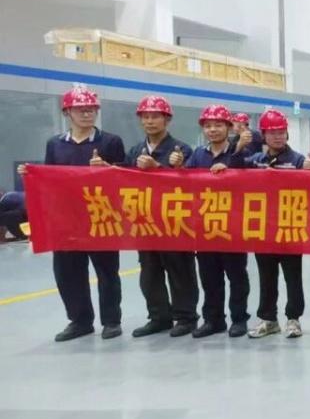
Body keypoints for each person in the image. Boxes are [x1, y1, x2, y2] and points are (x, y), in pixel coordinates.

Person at [19, 86, 126, 341]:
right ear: (67, 112)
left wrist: (107, 168)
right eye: (80, 110)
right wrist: (31, 174)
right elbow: (50, 179)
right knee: (68, 273)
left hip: (101, 216)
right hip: (67, 219)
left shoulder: (110, 142)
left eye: (91, 109)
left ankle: (111, 320)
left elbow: (125, 177)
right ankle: (80, 321)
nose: (87, 114)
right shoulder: (55, 144)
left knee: (107, 272)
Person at [126, 95, 200, 338]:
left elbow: (191, 184)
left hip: (175, 221)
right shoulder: (135, 151)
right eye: (145, 117)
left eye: (155, 116)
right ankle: (159, 317)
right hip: (145, 221)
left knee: (180, 271)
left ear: (167, 120)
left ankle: (186, 317)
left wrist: (159, 168)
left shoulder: (182, 150)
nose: (150, 121)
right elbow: (122, 180)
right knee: (149, 273)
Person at [184, 104, 252, 337]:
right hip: (205, 225)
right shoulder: (198, 155)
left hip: (233, 225)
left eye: (218, 125)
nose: (212, 130)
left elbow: (248, 179)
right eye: (208, 126)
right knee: (209, 277)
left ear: (229, 127)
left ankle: (239, 319)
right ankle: (213, 320)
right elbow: (184, 182)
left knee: (237, 276)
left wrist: (230, 164)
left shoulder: (240, 152)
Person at [246, 109, 307, 339]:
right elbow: (234, 168)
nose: (277, 137)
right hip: (263, 228)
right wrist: (237, 149)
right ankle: (268, 319)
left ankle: (293, 319)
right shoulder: (255, 161)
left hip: (290, 226)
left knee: (293, 276)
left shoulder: (298, 161)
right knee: (266, 276)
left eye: (281, 132)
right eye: (272, 133)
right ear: (263, 135)